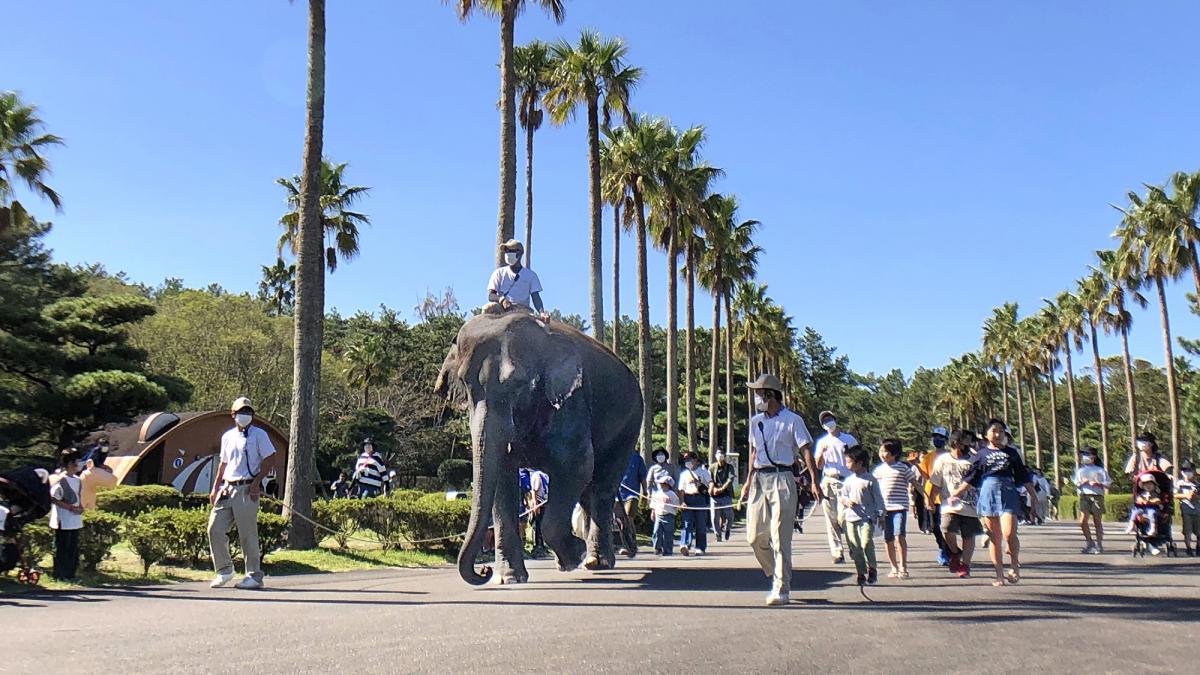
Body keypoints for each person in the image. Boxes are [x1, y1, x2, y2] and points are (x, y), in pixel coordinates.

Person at [739, 374, 816, 606]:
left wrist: (813, 480)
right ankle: (776, 572)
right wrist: (746, 481)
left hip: (783, 477)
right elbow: (754, 453)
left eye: (759, 393)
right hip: (759, 480)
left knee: (780, 537)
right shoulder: (755, 422)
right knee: (754, 536)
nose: (756, 398)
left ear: (770, 394)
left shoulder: (793, 420)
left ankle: (782, 587)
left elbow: (805, 450)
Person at [951, 419, 1037, 587]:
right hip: (988, 492)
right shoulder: (981, 454)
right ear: (986, 434)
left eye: (1001, 431)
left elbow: (1022, 475)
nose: (997, 434)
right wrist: (956, 493)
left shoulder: (1012, 453)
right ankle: (999, 574)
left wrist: (1032, 495)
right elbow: (971, 477)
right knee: (994, 537)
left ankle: (1014, 566)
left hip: (1008, 492)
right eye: (994, 431)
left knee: (1009, 533)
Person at [208, 397, 278, 590]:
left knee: (247, 534)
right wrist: (215, 487)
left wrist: (257, 483)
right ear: (233, 414)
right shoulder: (227, 436)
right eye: (241, 412)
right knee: (215, 528)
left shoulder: (259, 434)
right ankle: (224, 570)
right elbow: (223, 463)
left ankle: (254, 575)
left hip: (247, 488)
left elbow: (270, 457)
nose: (245, 415)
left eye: (248, 412)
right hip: (227, 488)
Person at [929, 430, 982, 578]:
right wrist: (930, 499)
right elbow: (936, 482)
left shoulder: (975, 460)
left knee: (968, 535)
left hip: (970, 504)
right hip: (948, 504)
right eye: (965, 441)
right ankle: (955, 552)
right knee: (945, 529)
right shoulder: (943, 459)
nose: (968, 445)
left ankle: (965, 564)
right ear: (955, 443)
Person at [813, 410, 857, 564]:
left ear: (835, 420)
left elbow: (858, 459)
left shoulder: (848, 439)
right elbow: (818, 466)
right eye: (824, 421)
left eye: (829, 419)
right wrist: (821, 454)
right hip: (829, 480)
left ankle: (854, 547)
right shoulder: (822, 442)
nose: (828, 422)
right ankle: (837, 551)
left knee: (844, 516)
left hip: (846, 481)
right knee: (831, 518)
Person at [873, 439, 920, 579]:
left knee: (899, 535)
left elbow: (915, 483)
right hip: (883, 509)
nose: (882, 454)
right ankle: (893, 567)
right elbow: (872, 487)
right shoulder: (878, 470)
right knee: (888, 538)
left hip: (899, 507)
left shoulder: (903, 468)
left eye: (885, 451)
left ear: (894, 454)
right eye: (880, 451)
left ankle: (903, 566)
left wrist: (927, 498)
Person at [838, 445, 884, 586]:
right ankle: (860, 573)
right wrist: (846, 501)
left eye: (849, 461)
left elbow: (879, 499)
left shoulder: (870, 480)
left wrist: (881, 514)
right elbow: (842, 495)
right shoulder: (848, 480)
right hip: (850, 518)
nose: (847, 465)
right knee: (855, 546)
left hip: (867, 518)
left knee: (865, 543)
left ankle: (872, 568)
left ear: (860, 463)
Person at [486, 239, 549, 321]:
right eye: (506, 251)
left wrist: (542, 312)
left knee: (544, 329)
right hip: (501, 308)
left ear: (519, 253)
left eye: (510, 251)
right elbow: (491, 295)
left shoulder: (531, 275)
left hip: (523, 310)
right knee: (486, 309)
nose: (507, 253)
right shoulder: (498, 273)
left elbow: (535, 297)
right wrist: (502, 300)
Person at [49, 450, 84, 582]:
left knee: (73, 548)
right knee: (62, 548)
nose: (78, 465)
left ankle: (71, 574)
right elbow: (54, 498)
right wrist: (70, 507)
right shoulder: (60, 480)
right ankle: (60, 574)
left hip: (75, 519)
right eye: (76, 462)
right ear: (69, 464)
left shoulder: (78, 480)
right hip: (62, 519)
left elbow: (78, 496)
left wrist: (80, 507)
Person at [918, 427, 951, 566]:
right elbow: (925, 476)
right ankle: (943, 548)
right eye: (935, 437)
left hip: (946, 495)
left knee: (946, 527)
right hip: (931, 494)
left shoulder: (950, 456)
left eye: (940, 437)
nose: (937, 440)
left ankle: (948, 550)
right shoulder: (928, 457)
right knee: (934, 526)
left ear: (946, 440)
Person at [1073, 446, 1110, 554]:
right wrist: (1082, 483)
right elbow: (1076, 483)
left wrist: (1097, 484)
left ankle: (1099, 544)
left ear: (1093, 456)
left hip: (1097, 496)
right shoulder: (1080, 470)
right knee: (1082, 521)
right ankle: (1089, 542)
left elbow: (1107, 484)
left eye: (1087, 455)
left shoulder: (1100, 470)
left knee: (1097, 521)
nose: (1084, 457)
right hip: (1084, 496)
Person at [677, 452, 712, 556]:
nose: (688, 462)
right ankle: (685, 545)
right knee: (687, 523)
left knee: (700, 524)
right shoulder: (683, 474)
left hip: (700, 499)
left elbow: (710, 482)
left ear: (695, 459)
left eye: (690, 459)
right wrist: (682, 502)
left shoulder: (702, 471)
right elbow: (681, 490)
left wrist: (710, 488)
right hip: (688, 498)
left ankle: (700, 547)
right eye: (686, 460)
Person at [1125, 473, 1164, 541]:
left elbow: (1158, 500)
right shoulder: (1142, 493)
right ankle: (1131, 524)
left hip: (1152, 508)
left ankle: (1153, 527)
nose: (1148, 486)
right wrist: (1141, 501)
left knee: (1152, 512)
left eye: (1150, 484)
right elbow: (1138, 499)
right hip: (1142, 509)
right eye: (1146, 484)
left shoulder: (1155, 493)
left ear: (1154, 485)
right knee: (1135, 511)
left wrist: (1151, 501)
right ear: (1143, 486)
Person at [650, 474, 681, 556]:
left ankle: (668, 550)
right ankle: (657, 548)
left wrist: (675, 510)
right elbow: (653, 504)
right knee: (656, 532)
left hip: (668, 516)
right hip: (659, 515)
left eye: (663, 484)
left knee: (668, 534)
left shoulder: (672, 494)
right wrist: (653, 512)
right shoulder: (657, 493)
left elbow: (676, 504)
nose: (661, 485)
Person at [618, 450, 646, 540]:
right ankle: (623, 542)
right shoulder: (616, 455)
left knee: (628, 517)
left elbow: (643, 477)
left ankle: (631, 541)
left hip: (632, 494)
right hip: (617, 495)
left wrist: (645, 492)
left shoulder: (637, 458)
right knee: (620, 520)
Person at [709, 451, 735, 542]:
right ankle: (718, 535)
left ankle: (727, 529)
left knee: (729, 515)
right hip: (715, 495)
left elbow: (730, 479)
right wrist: (713, 488)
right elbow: (709, 479)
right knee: (714, 517)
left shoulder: (729, 467)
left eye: (721, 454)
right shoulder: (712, 467)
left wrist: (722, 488)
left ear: (724, 456)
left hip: (726, 494)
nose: (720, 456)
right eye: (718, 454)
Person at [1175, 463, 1198, 556]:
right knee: (1187, 531)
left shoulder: (1197, 485)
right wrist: (1186, 496)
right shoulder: (1180, 483)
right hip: (1186, 510)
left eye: (1190, 471)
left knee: (1198, 531)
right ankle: (1188, 548)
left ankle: (1198, 547)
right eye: (1185, 471)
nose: (1187, 473)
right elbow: (1175, 495)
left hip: (1197, 511)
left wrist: (1195, 496)